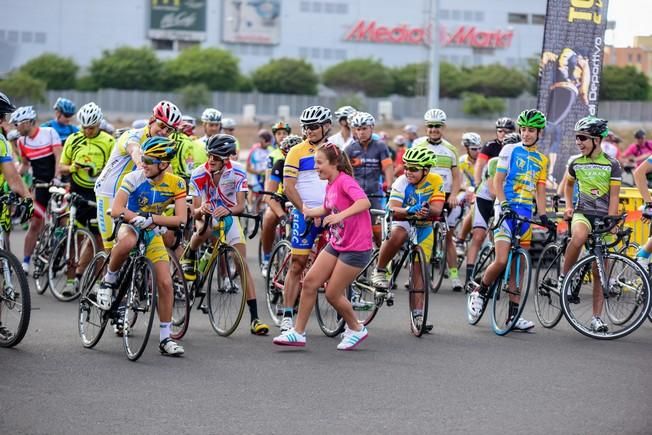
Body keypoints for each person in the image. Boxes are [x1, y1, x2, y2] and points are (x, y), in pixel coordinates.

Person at [273, 142, 371, 349]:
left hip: (355, 247)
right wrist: (305, 211)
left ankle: (356, 327)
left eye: (319, 163)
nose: (316, 167)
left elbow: (364, 203)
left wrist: (339, 217)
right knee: (309, 282)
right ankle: (298, 333)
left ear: (334, 163)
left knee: (332, 293)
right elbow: (326, 208)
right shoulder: (330, 184)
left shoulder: (345, 181)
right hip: (338, 243)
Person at [97, 137, 187, 356]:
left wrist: (153, 219)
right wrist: (137, 218)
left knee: (166, 283)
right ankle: (109, 281)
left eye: (148, 160)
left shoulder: (177, 183)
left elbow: (180, 219)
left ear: (163, 164)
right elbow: (117, 209)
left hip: (150, 231)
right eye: (143, 158)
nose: (143, 163)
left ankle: (166, 339)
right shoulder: (133, 177)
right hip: (130, 225)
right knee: (127, 241)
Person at [468, 109, 550, 331]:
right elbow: (498, 180)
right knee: (502, 260)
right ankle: (480, 291)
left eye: (531, 130)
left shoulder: (542, 159)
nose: (525, 134)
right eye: (523, 129)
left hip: (525, 213)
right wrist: (503, 203)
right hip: (505, 209)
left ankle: (513, 317)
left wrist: (543, 215)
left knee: (518, 268)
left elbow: (540, 190)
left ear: (540, 132)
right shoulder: (510, 149)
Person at [179, 134, 270, 335]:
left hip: (228, 216)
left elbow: (239, 205)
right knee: (205, 228)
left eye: (217, 157)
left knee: (242, 264)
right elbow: (194, 213)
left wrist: (227, 211)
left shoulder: (237, 171)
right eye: (210, 155)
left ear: (226, 158)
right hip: (205, 215)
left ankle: (255, 319)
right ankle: (190, 254)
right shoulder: (198, 173)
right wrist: (202, 209)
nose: (211, 160)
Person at [371, 146, 445, 330]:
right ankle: (380, 269)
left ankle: (417, 317)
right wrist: (409, 210)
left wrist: (427, 210)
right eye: (406, 167)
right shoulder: (401, 182)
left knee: (419, 274)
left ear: (426, 170)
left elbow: (438, 208)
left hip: (424, 227)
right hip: (403, 219)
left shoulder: (436, 180)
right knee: (399, 233)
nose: (408, 172)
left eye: (413, 169)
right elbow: (393, 209)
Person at [559, 117, 621, 333]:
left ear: (597, 139)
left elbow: (614, 196)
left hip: (602, 217)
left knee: (599, 272)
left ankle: (597, 318)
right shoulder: (576, 162)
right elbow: (567, 185)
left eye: (583, 138)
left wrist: (612, 220)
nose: (579, 142)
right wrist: (567, 205)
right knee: (578, 237)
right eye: (577, 138)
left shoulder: (612, 164)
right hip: (582, 213)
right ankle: (564, 278)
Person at [95, 100, 182, 251]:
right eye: (162, 126)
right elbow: (135, 150)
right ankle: (110, 274)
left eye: (169, 131)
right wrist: (142, 162)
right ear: (151, 120)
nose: (164, 133)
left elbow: (167, 172)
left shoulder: (162, 145)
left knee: (139, 244)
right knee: (112, 248)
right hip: (108, 192)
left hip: (131, 193)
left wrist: (180, 195)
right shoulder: (133, 135)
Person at [279, 105, 331, 332]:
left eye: (314, 127)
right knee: (297, 264)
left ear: (327, 126)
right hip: (305, 214)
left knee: (338, 264)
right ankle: (288, 314)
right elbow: (289, 186)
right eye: (306, 127)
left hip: (331, 214)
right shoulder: (296, 151)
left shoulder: (336, 151)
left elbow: (345, 183)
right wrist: (306, 211)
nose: (309, 131)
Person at [58, 102, 114, 295]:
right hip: (77, 191)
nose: (88, 131)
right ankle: (71, 281)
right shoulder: (73, 139)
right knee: (74, 236)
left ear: (99, 124)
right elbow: (62, 167)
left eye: (92, 127)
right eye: (84, 127)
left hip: (98, 194)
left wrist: (101, 172)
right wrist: (74, 167)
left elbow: (113, 167)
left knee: (99, 238)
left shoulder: (108, 141)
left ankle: (98, 282)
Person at [413, 108, 463, 291]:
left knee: (448, 236)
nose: (434, 129)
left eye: (438, 126)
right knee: (416, 235)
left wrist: (456, 195)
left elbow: (456, 177)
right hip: (424, 195)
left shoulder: (450, 149)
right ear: (426, 128)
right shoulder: (417, 145)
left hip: (445, 196)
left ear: (444, 127)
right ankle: (415, 273)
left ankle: (455, 277)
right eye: (431, 126)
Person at [465, 132, 521, 287]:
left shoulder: (521, 163)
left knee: (501, 242)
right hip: (486, 199)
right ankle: (468, 277)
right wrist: (506, 203)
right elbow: (492, 189)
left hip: (504, 202)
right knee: (478, 236)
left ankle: (492, 275)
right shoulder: (496, 162)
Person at [14, 106, 62, 272]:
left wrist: (57, 177)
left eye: (17, 124)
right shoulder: (22, 141)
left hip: (57, 184)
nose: (16, 127)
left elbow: (58, 158)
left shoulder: (49, 133)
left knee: (62, 222)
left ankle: (59, 254)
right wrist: (13, 179)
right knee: (35, 224)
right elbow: (25, 165)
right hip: (40, 186)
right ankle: (26, 262)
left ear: (28, 122)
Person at [344, 111, 393, 246]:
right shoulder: (349, 149)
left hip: (375, 194)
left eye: (364, 128)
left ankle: (380, 258)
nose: (361, 132)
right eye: (358, 129)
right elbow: (345, 173)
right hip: (355, 196)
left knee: (377, 230)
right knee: (354, 230)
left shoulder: (380, 146)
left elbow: (388, 167)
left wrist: (389, 185)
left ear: (372, 128)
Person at [260, 134, 302, 274]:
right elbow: (269, 195)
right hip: (283, 200)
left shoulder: (309, 164)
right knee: (269, 218)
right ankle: (267, 259)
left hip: (303, 201)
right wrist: (282, 216)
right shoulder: (280, 164)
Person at [474, 117, 515, 189]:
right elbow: (479, 165)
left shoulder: (517, 146)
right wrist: (477, 183)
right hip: (491, 182)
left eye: (507, 131)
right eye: (500, 131)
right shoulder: (489, 145)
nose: (503, 134)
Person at [246, 129, 273, 211]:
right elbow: (248, 167)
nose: (265, 142)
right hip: (256, 178)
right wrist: (258, 172)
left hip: (267, 178)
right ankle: (253, 210)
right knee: (257, 197)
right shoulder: (254, 150)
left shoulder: (271, 150)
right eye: (263, 140)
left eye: (267, 140)